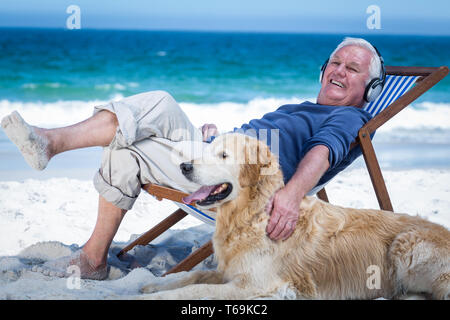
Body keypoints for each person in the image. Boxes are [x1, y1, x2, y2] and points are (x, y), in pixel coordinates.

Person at [0, 37, 383, 280]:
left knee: (134, 138)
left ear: (370, 88)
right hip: (218, 157)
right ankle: (91, 254)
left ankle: (54, 151)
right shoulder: (297, 106)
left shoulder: (349, 117)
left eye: (352, 69)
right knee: (157, 109)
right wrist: (215, 139)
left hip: (243, 185)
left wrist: (292, 195)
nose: (338, 71)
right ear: (322, 69)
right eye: (335, 62)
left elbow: (322, 152)